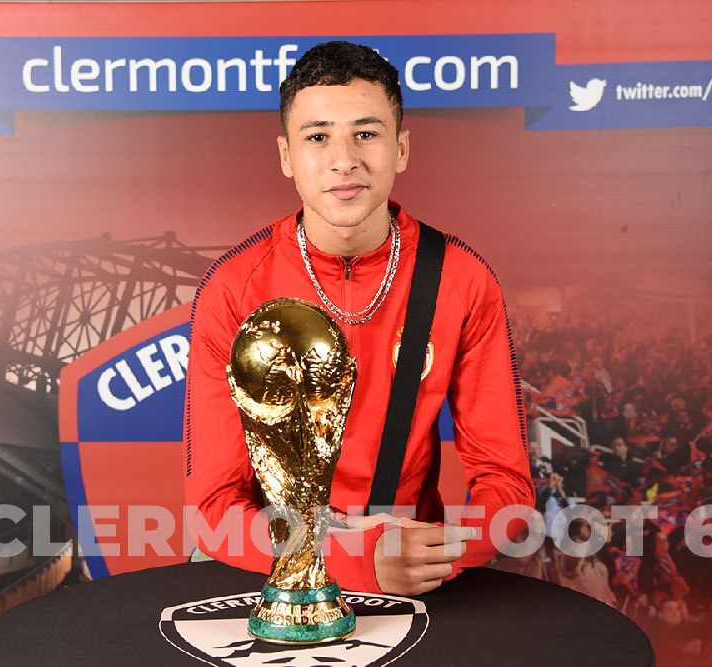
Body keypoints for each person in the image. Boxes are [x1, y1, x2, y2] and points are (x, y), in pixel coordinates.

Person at [183, 41, 534, 596]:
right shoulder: (232, 287)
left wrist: (434, 551)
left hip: (411, 572)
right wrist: (350, 557)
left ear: (401, 148)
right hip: (268, 567)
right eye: (317, 137)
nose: (343, 159)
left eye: (366, 134)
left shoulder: (464, 281)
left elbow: (507, 487)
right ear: (286, 156)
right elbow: (213, 507)